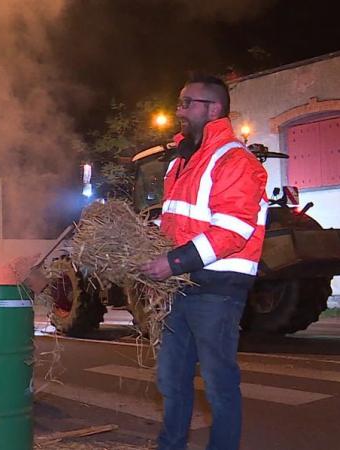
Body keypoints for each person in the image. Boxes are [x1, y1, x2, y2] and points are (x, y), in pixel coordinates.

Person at [140, 75, 268, 450]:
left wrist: (172, 262)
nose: (179, 111)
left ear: (213, 109)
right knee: (171, 380)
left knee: (218, 384)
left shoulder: (234, 159)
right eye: (179, 103)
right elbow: (174, 223)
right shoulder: (181, 162)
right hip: (180, 286)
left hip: (216, 289)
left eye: (187, 104)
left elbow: (232, 231)